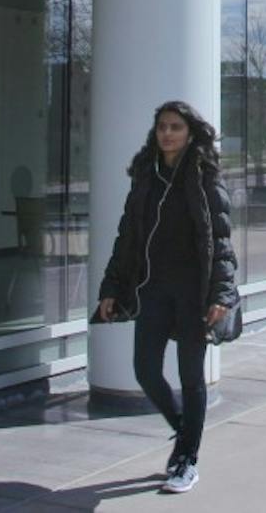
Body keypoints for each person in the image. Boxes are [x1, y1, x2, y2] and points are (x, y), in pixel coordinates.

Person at [97, 101, 238, 495]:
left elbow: (222, 242)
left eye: (176, 127)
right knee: (145, 370)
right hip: (153, 289)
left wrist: (220, 293)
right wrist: (110, 289)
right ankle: (184, 431)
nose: (168, 134)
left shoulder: (204, 176)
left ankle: (186, 460)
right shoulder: (146, 176)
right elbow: (126, 238)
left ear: (190, 133)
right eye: (162, 127)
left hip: (194, 293)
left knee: (192, 378)